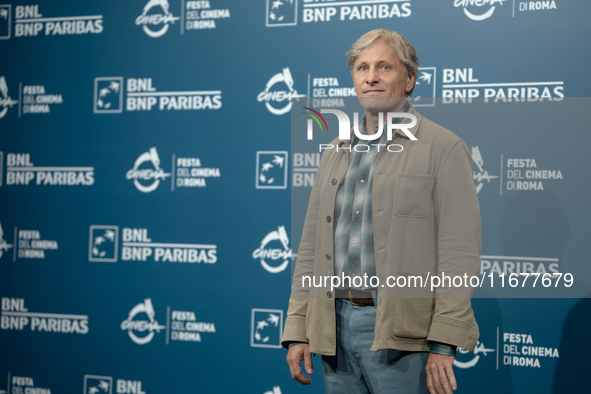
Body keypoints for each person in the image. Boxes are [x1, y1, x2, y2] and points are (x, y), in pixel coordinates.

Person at [282, 29, 481, 394]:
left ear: (409, 80)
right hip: (333, 329)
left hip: (405, 337)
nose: (370, 76)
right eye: (361, 68)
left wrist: (444, 340)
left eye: (383, 67)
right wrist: (298, 327)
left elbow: (459, 255)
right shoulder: (335, 151)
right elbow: (311, 248)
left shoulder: (444, 148)